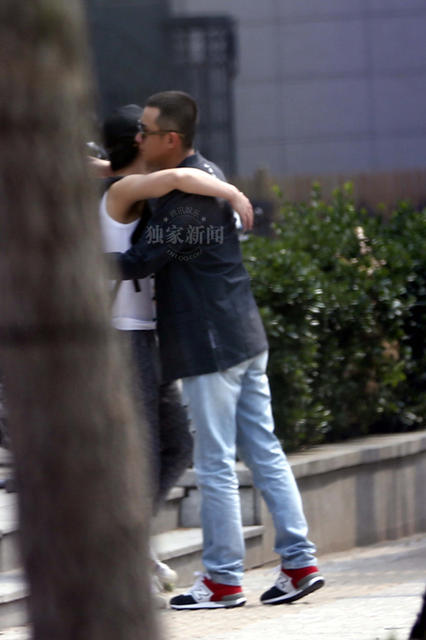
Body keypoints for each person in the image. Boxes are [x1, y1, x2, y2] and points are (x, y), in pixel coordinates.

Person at [107, 91, 324, 610]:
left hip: (210, 343)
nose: (138, 138)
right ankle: (299, 564)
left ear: (170, 139)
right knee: (264, 450)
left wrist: (69, 260)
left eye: (146, 131)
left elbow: (140, 261)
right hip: (242, 335)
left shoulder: (189, 204)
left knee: (214, 464)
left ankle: (224, 580)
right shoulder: (205, 175)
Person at [98, 103, 254, 598]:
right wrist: (230, 190)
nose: (153, 141)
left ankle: (132, 544)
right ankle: (125, 559)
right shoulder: (125, 187)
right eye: (145, 135)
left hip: (146, 332)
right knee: (144, 450)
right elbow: (181, 178)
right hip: (123, 335)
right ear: (136, 144)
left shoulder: (125, 182)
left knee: (176, 445)